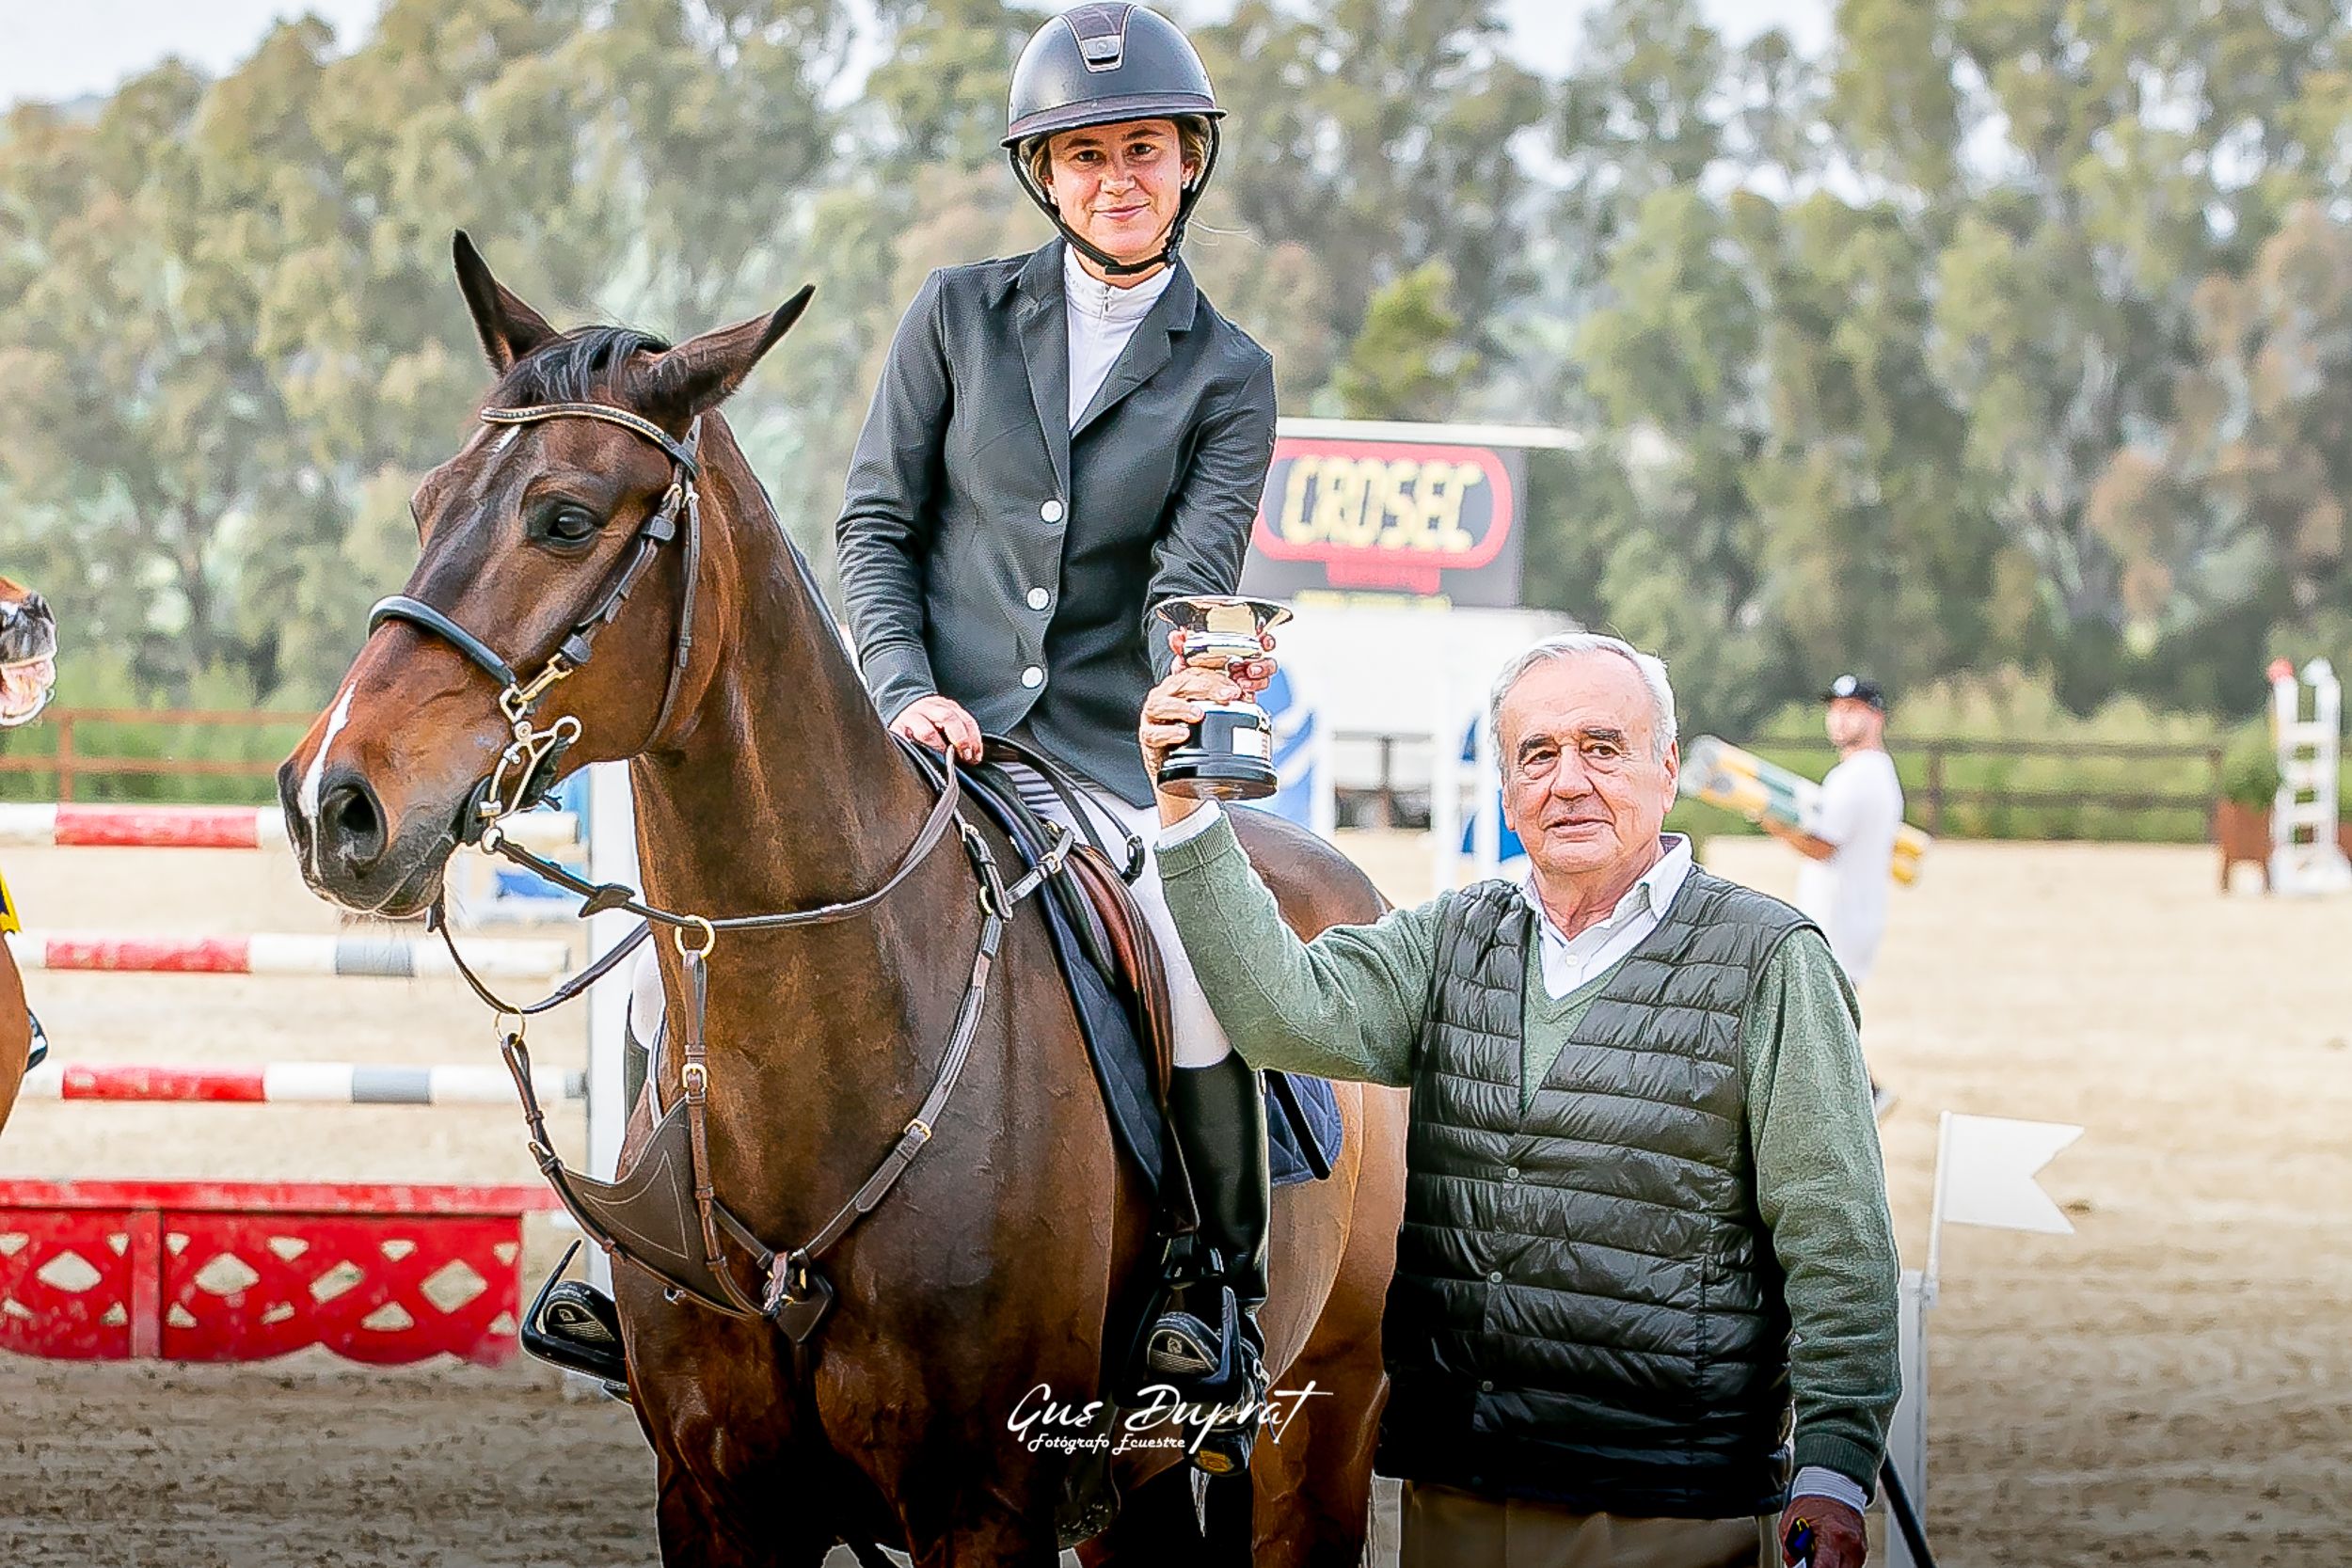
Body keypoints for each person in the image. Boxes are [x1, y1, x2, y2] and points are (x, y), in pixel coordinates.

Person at [1140, 633, 1900, 1568]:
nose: (1567, 779)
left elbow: (1835, 1230)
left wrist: (1831, 1470)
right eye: (1537, 755)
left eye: (1601, 746)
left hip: (1663, 1507)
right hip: (1457, 1499)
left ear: (1666, 770)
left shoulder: (1773, 959)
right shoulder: (1451, 936)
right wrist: (1186, 804)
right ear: (1507, 792)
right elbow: (1276, 1010)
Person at [834, 1, 1281, 1468]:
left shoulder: (1228, 370)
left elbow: (1192, 576)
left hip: (1093, 751)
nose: (1115, 178)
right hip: (924, 737)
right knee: (726, 919)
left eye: (1140, 150)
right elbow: (876, 525)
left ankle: (1210, 1290)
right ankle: (640, 1249)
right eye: (1083, 155)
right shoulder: (957, 313)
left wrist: (1175, 687)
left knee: (1198, 962)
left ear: (1188, 161)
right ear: (1045, 173)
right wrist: (902, 685)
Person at [1762, 676, 1904, 990]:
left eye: (1852, 709)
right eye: (1836, 709)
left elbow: (1823, 846)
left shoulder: (1854, 776)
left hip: (1835, 925)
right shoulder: (1881, 771)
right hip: (1856, 922)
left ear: (1877, 718)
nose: (1840, 718)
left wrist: (1774, 823)